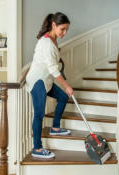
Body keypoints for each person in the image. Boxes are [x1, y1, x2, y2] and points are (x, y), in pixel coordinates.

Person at [26, 12, 73, 159]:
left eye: (66, 30)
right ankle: (37, 148)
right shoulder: (46, 43)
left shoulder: (52, 39)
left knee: (63, 98)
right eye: (62, 29)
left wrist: (60, 64)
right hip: (37, 81)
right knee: (39, 114)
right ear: (54, 25)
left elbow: (51, 63)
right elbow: (53, 70)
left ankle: (55, 127)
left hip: (46, 81)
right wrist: (67, 86)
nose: (64, 33)